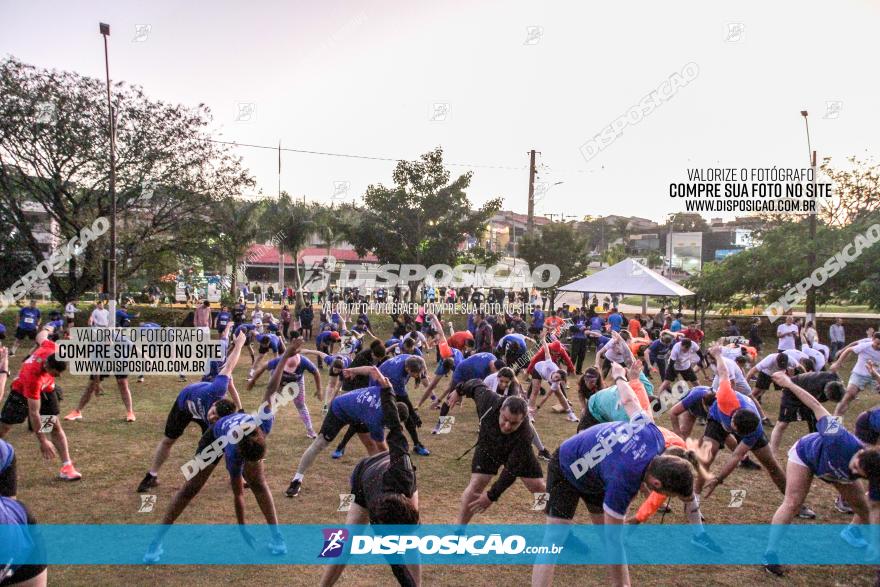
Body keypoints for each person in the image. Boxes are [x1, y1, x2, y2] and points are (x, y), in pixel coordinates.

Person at [532, 363, 699, 587]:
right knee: (553, 539)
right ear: (656, 483)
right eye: (665, 494)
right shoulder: (623, 483)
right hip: (566, 468)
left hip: (596, 472)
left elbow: (630, 401)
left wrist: (620, 377)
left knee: (606, 533)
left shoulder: (653, 436)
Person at [143, 338, 292, 563]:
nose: (255, 467)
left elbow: (272, 388)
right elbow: (238, 495)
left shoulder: (262, 423)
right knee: (190, 489)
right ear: (241, 455)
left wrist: (286, 354)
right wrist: (242, 528)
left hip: (239, 438)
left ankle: (278, 539)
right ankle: (154, 545)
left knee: (260, 484)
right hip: (214, 439)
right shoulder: (233, 455)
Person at [763, 371, 880, 577]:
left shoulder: (875, 472)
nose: (853, 471)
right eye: (854, 466)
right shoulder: (838, 436)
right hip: (806, 457)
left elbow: (874, 508)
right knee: (793, 502)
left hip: (834, 473)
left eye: (858, 474)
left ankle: (859, 539)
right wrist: (789, 383)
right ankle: (770, 554)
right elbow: (816, 405)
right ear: (859, 453)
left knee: (862, 508)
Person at [319, 380, 420, 587]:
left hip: (393, 473)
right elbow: (396, 566)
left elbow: (394, 425)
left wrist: (387, 391)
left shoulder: (404, 469)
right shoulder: (378, 519)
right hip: (364, 474)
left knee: (412, 543)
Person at [700, 345, 816, 519]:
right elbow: (723, 373)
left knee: (772, 465)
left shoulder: (753, 431)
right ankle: (692, 501)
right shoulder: (725, 396)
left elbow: (736, 456)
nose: (732, 433)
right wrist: (717, 355)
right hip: (718, 417)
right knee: (707, 456)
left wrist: (719, 478)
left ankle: (796, 504)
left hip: (743, 420)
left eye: (736, 433)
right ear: (733, 420)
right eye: (732, 429)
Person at [136, 331, 247, 493]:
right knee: (168, 440)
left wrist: (239, 408)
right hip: (184, 402)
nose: (212, 416)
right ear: (215, 404)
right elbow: (230, 366)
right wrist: (239, 345)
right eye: (213, 412)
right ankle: (151, 476)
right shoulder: (216, 389)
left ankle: (237, 477)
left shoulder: (219, 422)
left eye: (215, 418)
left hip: (201, 409)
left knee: (221, 445)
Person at [285, 366, 400, 498]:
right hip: (340, 408)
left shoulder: (388, 390)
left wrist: (352, 370)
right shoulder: (375, 420)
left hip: (360, 414)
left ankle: (379, 480)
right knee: (319, 444)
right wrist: (397, 466)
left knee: (371, 447)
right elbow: (384, 451)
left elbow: (373, 370)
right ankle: (296, 479)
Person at [445, 379, 545, 525]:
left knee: (538, 487)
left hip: (514, 450)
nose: (507, 425)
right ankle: (459, 530)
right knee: (477, 485)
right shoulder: (488, 401)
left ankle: (557, 525)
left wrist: (491, 496)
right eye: (505, 419)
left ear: (523, 419)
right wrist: (459, 389)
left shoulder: (525, 434)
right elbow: (474, 384)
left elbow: (511, 471)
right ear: (500, 410)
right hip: (488, 447)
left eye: (514, 423)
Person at [0, 323, 81, 481]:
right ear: (46, 365)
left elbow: (41, 337)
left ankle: (67, 467)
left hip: (47, 391)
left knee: (54, 425)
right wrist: (43, 441)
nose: (59, 376)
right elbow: (34, 413)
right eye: (55, 373)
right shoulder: (33, 377)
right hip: (21, 393)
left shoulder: (52, 349)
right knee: (4, 429)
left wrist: (48, 327)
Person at [768, 370, 844, 455]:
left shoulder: (837, 381)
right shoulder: (815, 388)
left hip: (809, 392)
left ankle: (819, 449)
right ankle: (772, 453)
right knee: (782, 424)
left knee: (816, 422)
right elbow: (815, 405)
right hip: (791, 390)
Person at [831, 333, 880, 416]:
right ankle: (836, 420)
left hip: (875, 377)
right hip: (859, 374)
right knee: (849, 395)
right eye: (877, 344)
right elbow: (849, 349)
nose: (879, 346)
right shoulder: (865, 346)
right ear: (872, 340)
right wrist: (838, 363)